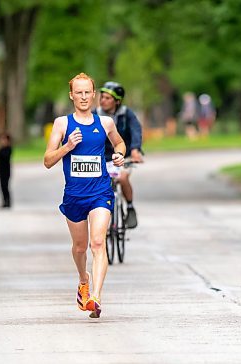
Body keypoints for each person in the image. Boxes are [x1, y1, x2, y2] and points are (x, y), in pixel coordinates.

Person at [44, 73, 125, 318]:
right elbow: (47, 160)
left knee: (98, 243)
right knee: (80, 248)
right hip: (74, 196)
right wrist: (67, 146)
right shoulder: (62, 124)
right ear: (72, 95)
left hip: (100, 191)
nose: (83, 97)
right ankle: (83, 279)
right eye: (78, 93)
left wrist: (119, 154)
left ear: (93, 94)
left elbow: (119, 144)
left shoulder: (105, 123)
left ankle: (96, 298)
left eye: (87, 92)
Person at [95, 81, 143, 229]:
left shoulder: (126, 114)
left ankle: (129, 207)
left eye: (107, 98)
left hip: (124, 155)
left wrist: (135, 149)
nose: (103, 100)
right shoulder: (95, 115)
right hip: (103, 157)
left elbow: (136, 131)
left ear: (117, 101)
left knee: (122, 178)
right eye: (102, 97)